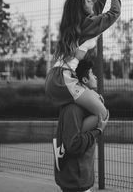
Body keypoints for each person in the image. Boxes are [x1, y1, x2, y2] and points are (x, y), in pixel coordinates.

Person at [45, 0, 121, 131]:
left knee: (97, 102)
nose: (91, 1)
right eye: (87, 1)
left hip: (56, 77)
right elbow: (114, 13)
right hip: (63, 79)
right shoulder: (86, 25)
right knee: (103, 113)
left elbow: (97, 11)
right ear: (82, 8)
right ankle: (73, 140)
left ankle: (71, 139)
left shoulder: (79, 26)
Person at [54, 59, 109, 192]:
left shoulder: (84, 107)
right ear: (84, 80)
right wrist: (98, 131)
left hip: (80, 179)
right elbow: (73, 144)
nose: (95, 76)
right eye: (91, 74)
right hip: (74, 181)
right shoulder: (73, 109)